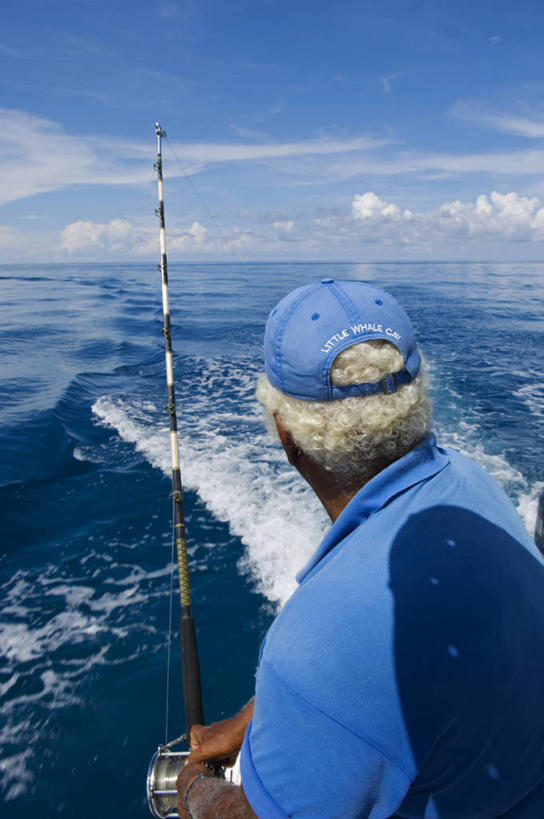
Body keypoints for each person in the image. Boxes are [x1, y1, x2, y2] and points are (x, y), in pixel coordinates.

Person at [177, 279, 544, 818]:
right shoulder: (472, 483)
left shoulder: (313, 649)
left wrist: (190, 790)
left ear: (285, 435)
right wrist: (263, 715)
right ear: (417, 397)